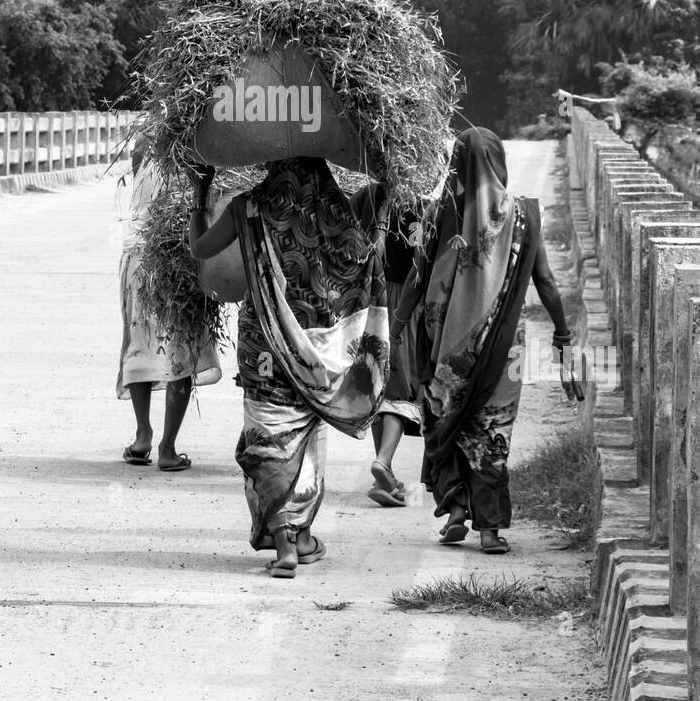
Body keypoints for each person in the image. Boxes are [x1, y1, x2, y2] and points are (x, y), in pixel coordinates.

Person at [188, 156, 390, 577]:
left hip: (263, 343)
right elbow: (364, 260)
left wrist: (199, 193)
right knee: (307, 437)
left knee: (270, 435)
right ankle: (301, 536)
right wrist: (385, 200)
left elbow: (199, 250)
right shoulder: (336, 211)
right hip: (317, 349)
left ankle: (286, 545)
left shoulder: (246, 207)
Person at [391, 128, 571, 554]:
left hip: (445, 348)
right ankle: (489, 530)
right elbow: (544, 280)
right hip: (502, 347)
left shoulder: (441, 213)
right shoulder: (524, 215)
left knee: (445, 422)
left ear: (457, 164)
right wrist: (563, 333)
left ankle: (455, 510)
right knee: (491, 430)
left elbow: (417, 278)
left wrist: (395, 330)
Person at [117, 136, 221, 471]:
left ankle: (143, 434)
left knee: (139, 344)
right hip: (180, 256)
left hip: (139, 255)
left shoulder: (144, 143)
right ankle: (167, 447)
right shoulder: (204, 145)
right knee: (182, 347)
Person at [352, 191, 422, 508]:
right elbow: (421, 263)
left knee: (377, 387)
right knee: (400, 392)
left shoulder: (367, 195)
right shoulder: (419, 206)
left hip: (369, 301)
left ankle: (387, 475)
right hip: (402, 303)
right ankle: (383, 462)